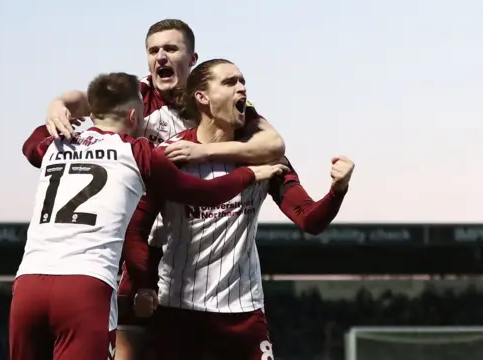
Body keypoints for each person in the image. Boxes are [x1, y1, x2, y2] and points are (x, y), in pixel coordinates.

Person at [21, 19, 288, 360]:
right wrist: (58, 103)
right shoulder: (137, 98)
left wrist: (205, 151)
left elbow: (273, 143)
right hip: (139, 243)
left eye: (171, 49)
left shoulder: (219, 100)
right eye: (153, 50)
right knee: (127, 349)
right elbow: (86, 99)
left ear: (192, 59)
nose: (161, 56)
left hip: (195, 250)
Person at [123, 59, 355, 360]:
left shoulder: (264, 157)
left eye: (243, 81)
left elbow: (309, 219)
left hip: (244, 314)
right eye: (230, 82)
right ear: (202, 98)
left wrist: (338, 191)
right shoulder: (171, 154)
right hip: (179, 312)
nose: (241, 87)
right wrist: (143, 286)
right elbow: (137, 229)